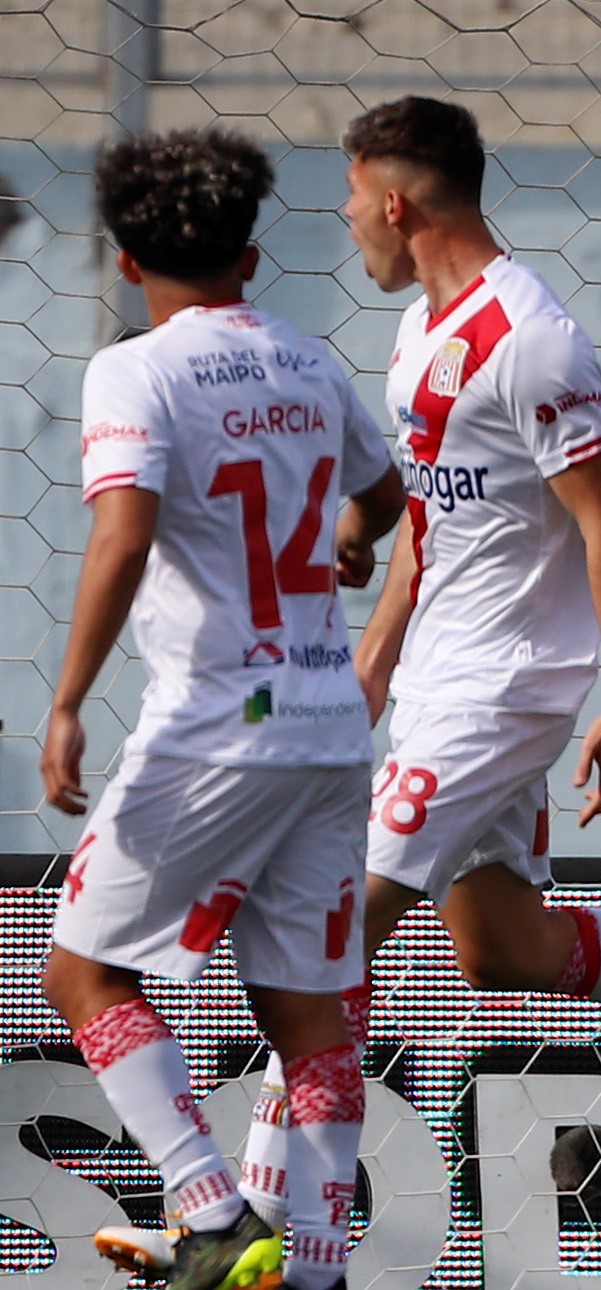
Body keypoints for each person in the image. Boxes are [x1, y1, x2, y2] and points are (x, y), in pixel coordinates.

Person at [186, 95, 601, 1248]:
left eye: (348, 201)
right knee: (500, 945)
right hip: (441, 678)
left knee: (326, 931)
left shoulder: (531, 338)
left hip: (508, 688)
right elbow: (431, 534)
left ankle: (259, 1228)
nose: (343, 224)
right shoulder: (419, 334)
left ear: (396, 201)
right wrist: (366, 678)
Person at [44, 127, 405, 1290]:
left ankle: (207, 1213)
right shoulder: (308, 360)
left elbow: (123, 530)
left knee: (83, 974)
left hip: (215, 723)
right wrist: (351, 536)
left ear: (124, 263)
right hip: (328, 729)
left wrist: (66, 703)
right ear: (252, 260)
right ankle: (311, 1267)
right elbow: (384, 490)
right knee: (310, 1018)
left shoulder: (132, 369)